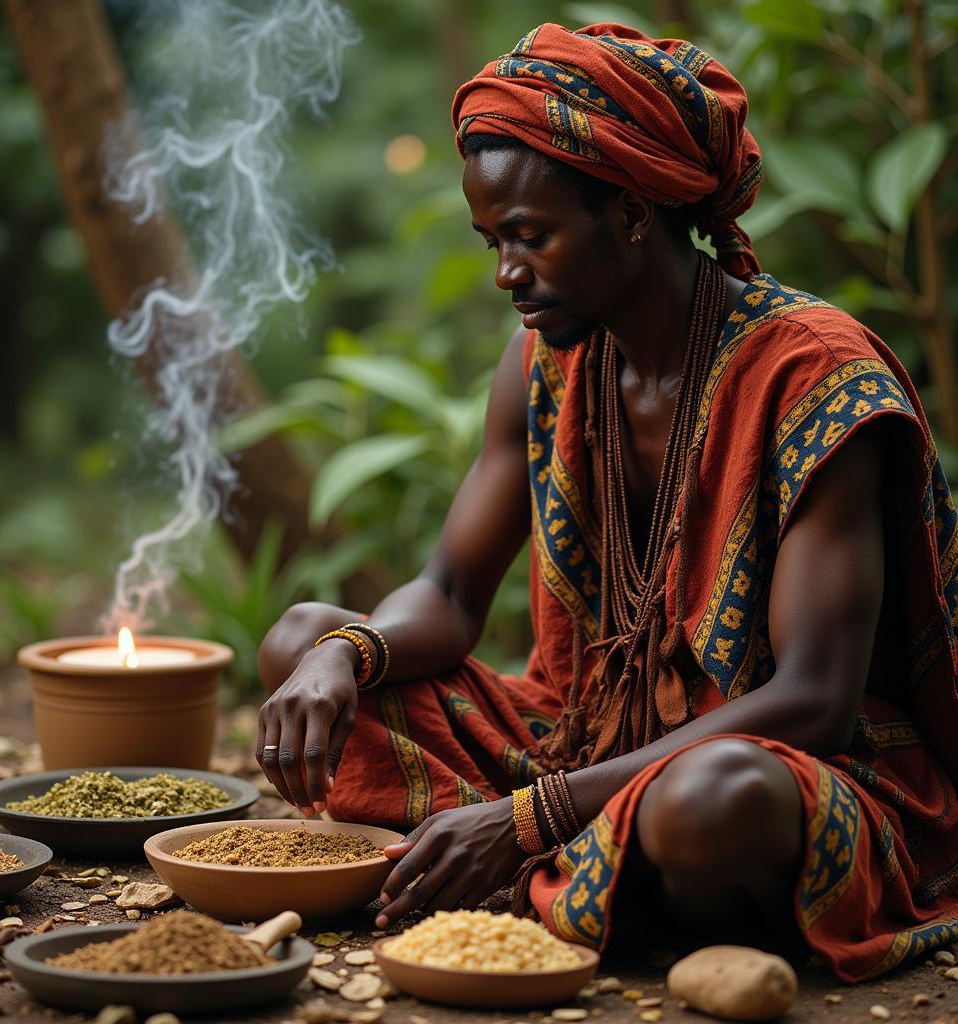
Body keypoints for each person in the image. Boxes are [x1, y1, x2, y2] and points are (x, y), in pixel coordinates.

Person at [255, 22, 958, 981]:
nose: (505, 272)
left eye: (529, 236)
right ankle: (596, 874)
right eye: (492, 239)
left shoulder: (815, 376)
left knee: (707, 804)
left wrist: (533, 816)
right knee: (302, 641)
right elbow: (453, 594)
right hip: (582, 739)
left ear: (630, 213)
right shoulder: (546, 360)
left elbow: (814, 702)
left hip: (789, 763)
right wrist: (349, 653)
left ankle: (560, 860)